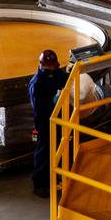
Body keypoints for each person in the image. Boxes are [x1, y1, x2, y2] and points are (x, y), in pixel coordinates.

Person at [28, 49, 69, 198]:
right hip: (43, 123)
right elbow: (39, 108)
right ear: (43, 66)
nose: (54, 68)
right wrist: (54, 103)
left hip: (57, 119)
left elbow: (66, 78)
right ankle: (40, 184)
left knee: (58, 147)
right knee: (43, 152)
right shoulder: (37, 84)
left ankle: (55, 174)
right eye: (51, 66)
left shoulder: (56, 73)